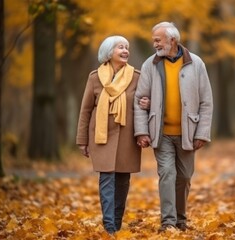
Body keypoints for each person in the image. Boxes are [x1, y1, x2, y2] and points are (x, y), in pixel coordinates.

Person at [134, 22, 213, 233]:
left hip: (188, 133)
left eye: (158, 40)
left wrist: (202, 133)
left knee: (185, 177)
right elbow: (139, 99)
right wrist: (142, 131)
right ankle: (168, 222)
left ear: (172, 40)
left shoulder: (196, 64)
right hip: (161, 133)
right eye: (153, 40)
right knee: (167, 174)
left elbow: (206, 101)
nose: (154, 44)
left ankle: (180, 219)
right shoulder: (150, 64)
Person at [76, 35, 149, 235]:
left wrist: (147, 104)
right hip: (101, 136)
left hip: (127, 136)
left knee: (123, 181)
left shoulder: (137, 76)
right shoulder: (94, 77)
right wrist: (82, 140)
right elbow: (85, 110)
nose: (125, 50)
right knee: (106, 178)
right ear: (109, 52)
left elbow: (144, 101)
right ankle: (109, 226)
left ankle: (116, 222)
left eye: (127, 47)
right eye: (120, 47)